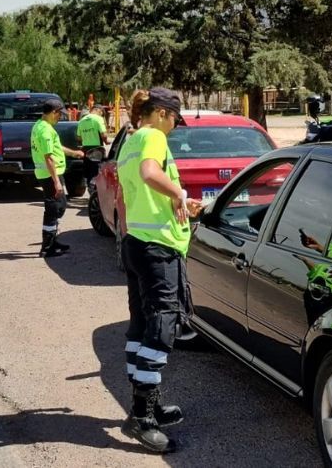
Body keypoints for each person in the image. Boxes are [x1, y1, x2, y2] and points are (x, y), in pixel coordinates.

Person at [116, 88, 202, 453]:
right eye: (175, 121)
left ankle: (146, 405)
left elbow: (125, 196)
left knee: (141, 325)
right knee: (163, 324)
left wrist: (176, 200)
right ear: (163, 113)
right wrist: (179, 194)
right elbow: (150, 173)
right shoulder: (152, 136)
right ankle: (143, 417)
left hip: (136, 241)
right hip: (158, 248)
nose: (174, 129)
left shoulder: (129, 141)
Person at [31, 98, 84, 257]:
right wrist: (56, 182)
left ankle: (52, 240)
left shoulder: (40, 126)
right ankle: (47, 247)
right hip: (49, 175)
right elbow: (48, 157)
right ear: (53, 112)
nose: (60, 118)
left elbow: (56, 147)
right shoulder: (46, 131)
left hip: (48, 174)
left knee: (57, 207)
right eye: (60, 114)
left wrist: (73, 153)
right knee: (55, 208)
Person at [77, 104, 109, 197]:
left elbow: (79, 138)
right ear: (99, 110)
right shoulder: (98, 119)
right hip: (96, 149)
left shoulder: (82, 120)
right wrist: (106, 142)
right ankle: (94, 193)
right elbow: (104, 135)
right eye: (102, 113)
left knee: (89, 172)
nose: (101, 115)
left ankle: (91, 191)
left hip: (86, 149)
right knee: (96, 172)